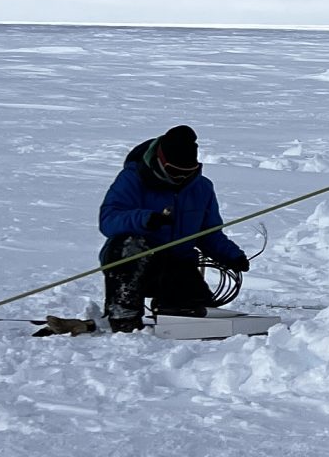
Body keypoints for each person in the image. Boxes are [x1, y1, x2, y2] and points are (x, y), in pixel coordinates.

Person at [98, 125, 248, 332]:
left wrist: (231, 255)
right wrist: (144, 219)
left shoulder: (202, 187)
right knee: (129, 245)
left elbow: (208, 233)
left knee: (200, 308)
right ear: (160, 161)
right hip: (135, 259)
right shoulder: (132, 179)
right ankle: (123, 315)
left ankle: (171, 310)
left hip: (177, 263)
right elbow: (108, 220)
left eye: (187, 173)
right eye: (174, 172)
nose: (180, 179)